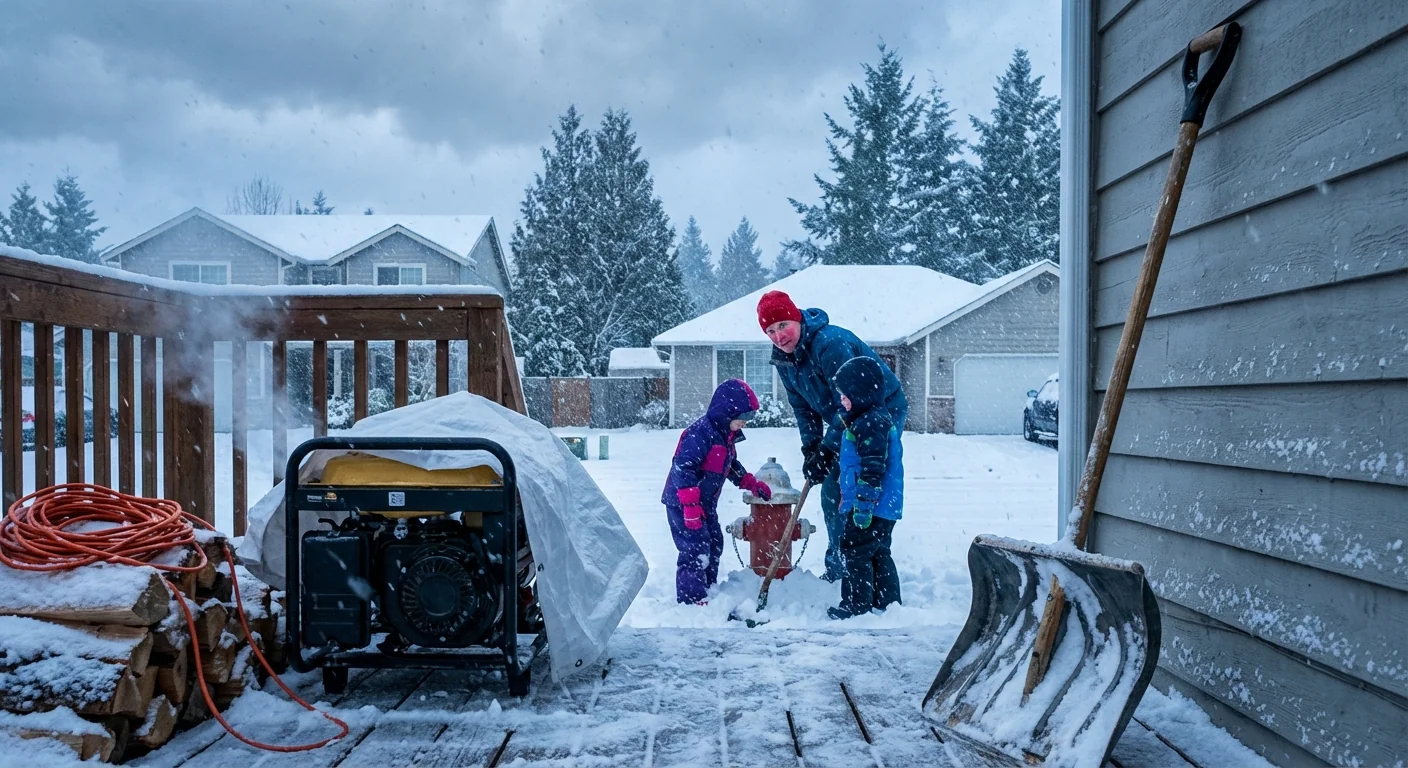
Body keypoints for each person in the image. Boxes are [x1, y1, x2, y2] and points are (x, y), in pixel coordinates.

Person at [757, 289, 907, 582]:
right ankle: (844, 563)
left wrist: (827, 450)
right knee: (834, 490)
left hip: (878, 411)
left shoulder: (830, 344)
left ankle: (863, 562)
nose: (778, 336)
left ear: (797, 318)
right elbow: (802, 407)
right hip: (845, 416)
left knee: (863, 480)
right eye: (770, 330)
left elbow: (851, 402)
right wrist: (812, 448)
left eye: (783, 325)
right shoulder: (785, 360)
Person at [661, 378, 773, 604]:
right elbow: (683, 468)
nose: (744, 423)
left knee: (714, 541)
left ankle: (707, 589)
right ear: (727, 412)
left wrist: (751, 484)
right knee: (695, 547)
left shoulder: (725, 437)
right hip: (683, 503)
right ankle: (692, 598)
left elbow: (730, 466)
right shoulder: (700, 433)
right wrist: (690, 507)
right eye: (742, 417)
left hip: (704, 503)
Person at [828, 356, 903, 619]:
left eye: (846, 395)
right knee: (879, 552)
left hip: (871, 505)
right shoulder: (872, 418)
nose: (842, 400)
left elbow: (873, 468)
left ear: (860, 393)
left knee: (855, 553)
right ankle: (887, 603)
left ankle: (855, 605)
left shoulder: (870, 422)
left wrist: (862, 505)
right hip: (883, 506)